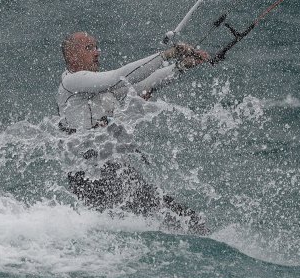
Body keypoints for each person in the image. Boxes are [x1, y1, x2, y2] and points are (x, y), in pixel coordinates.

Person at [56, 31, 210, 233]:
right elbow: (117, 78)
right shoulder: (72, 82)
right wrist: (166, 55)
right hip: (90, 176)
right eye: (89, 48)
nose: (97, 52)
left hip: (111, 170)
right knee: (172, 219)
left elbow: (142, 86)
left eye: (96, 47)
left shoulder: (93, 89)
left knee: (182, 218)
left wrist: (180, 66)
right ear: (72, 56)